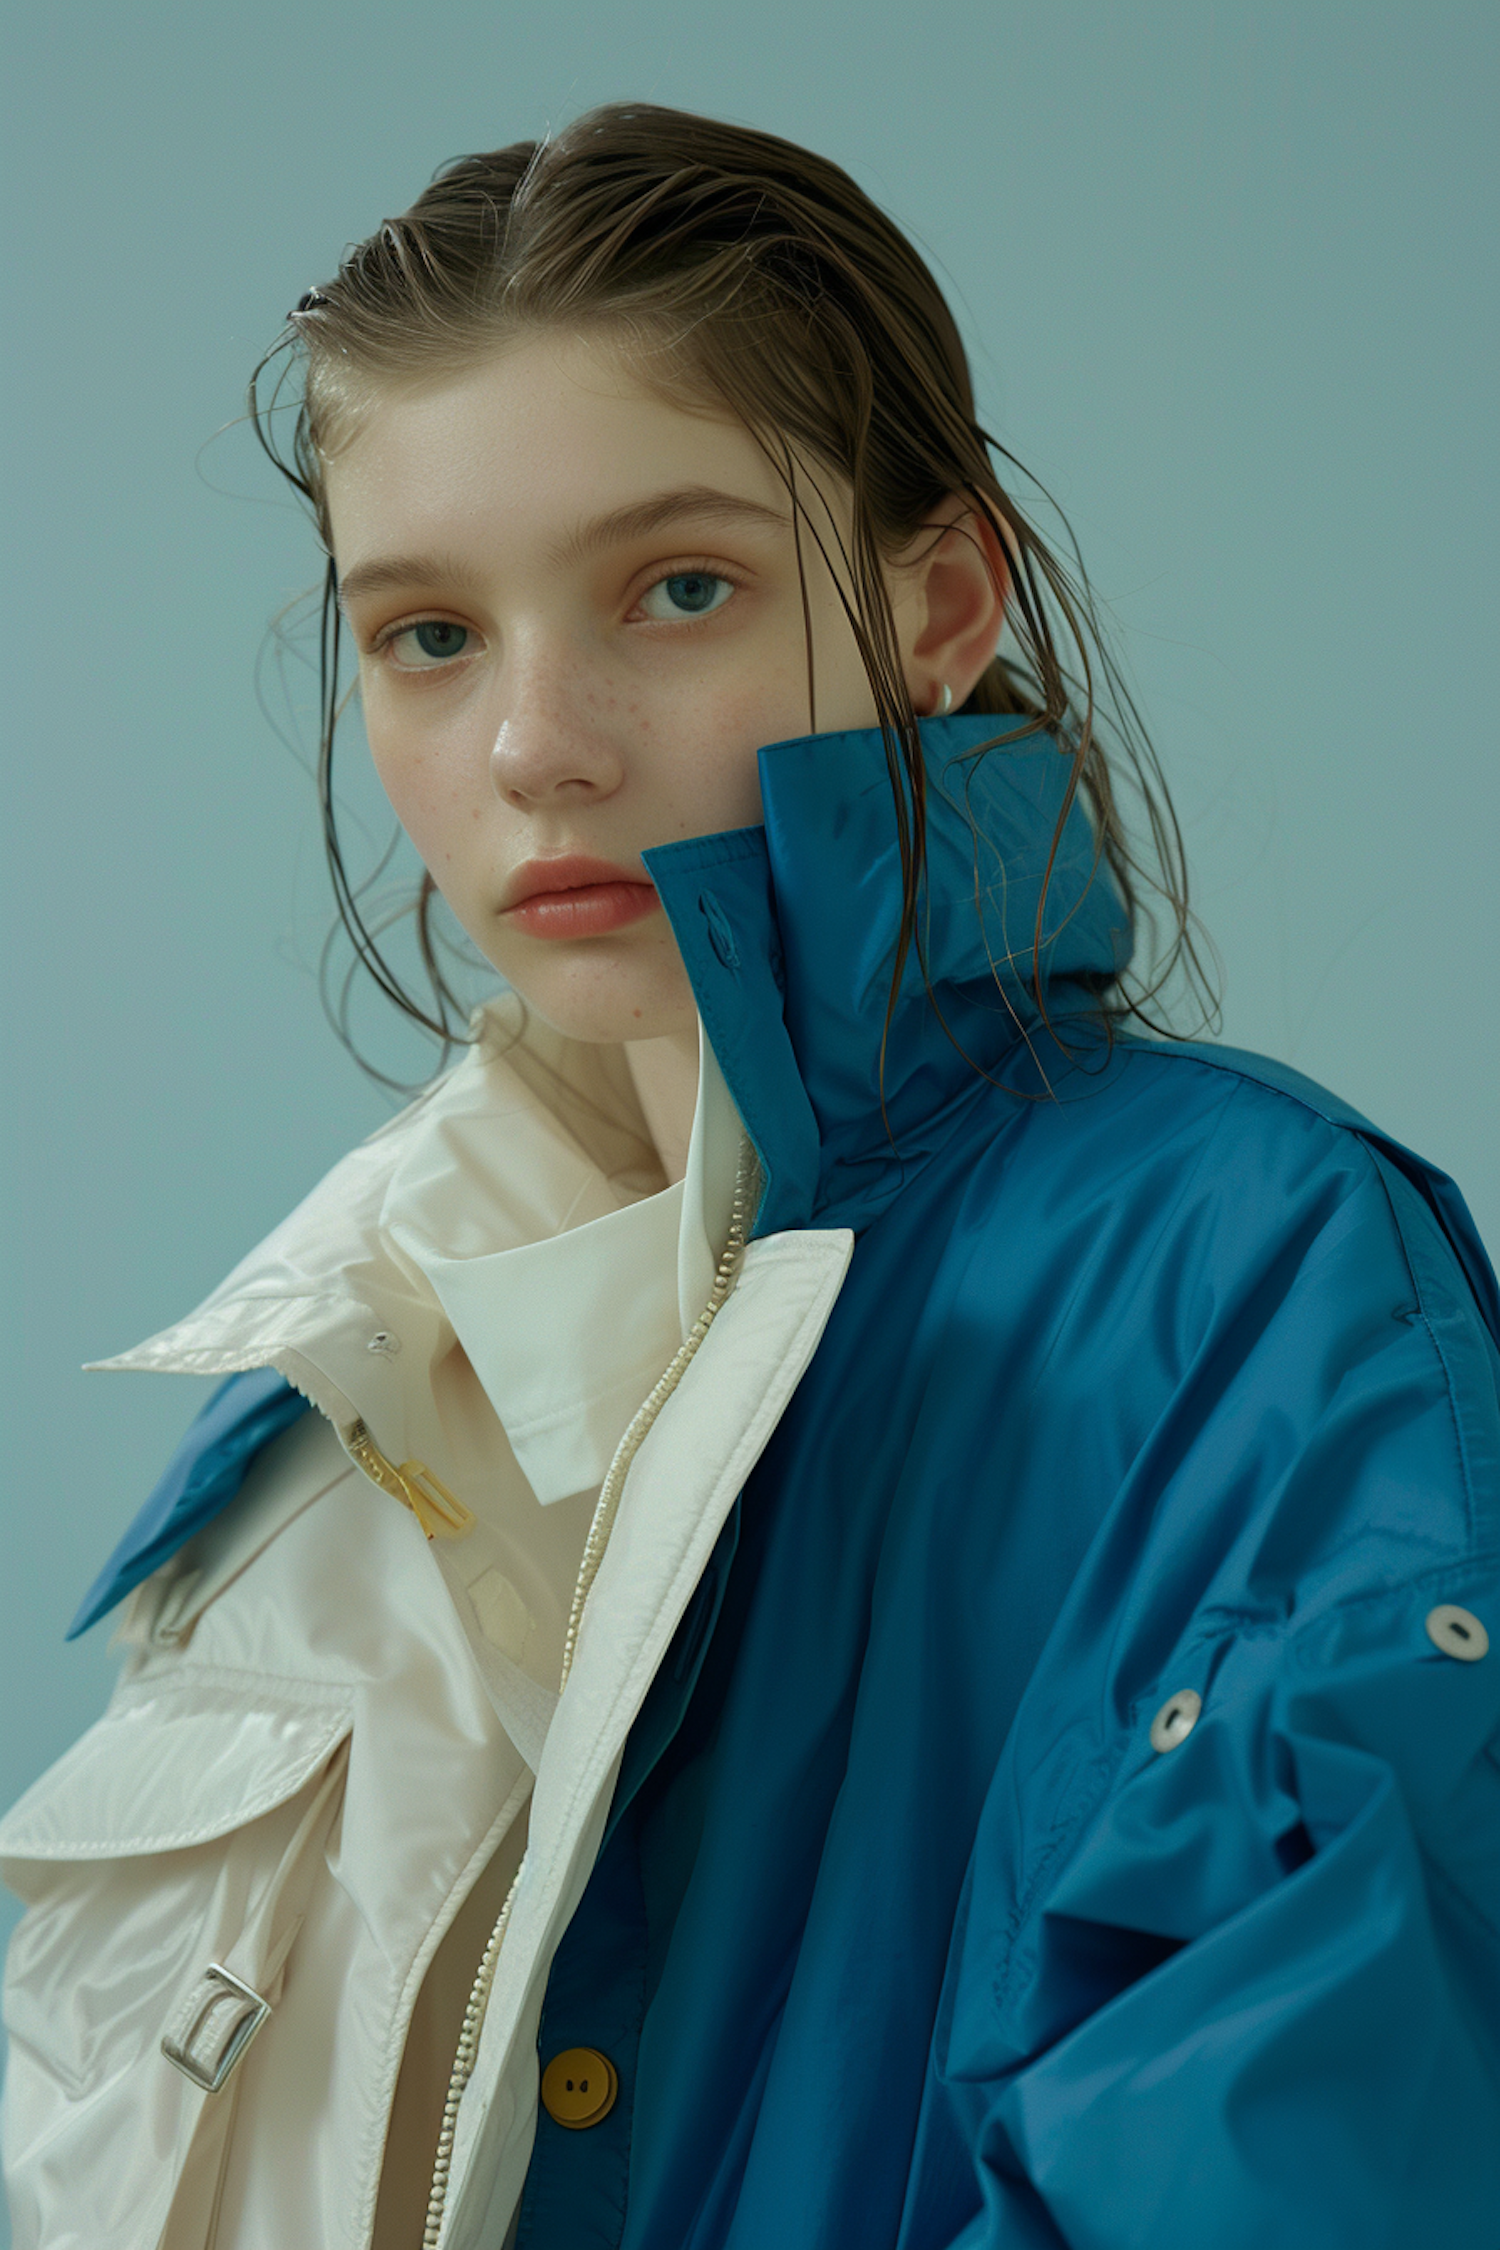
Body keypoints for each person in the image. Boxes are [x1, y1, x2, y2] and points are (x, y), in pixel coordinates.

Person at [1, 101, 1496, 2250]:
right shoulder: (346, 1385)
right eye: (428, 635)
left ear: (939, 607)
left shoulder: (1251, 1283)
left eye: (675, 588)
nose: (538, 743)